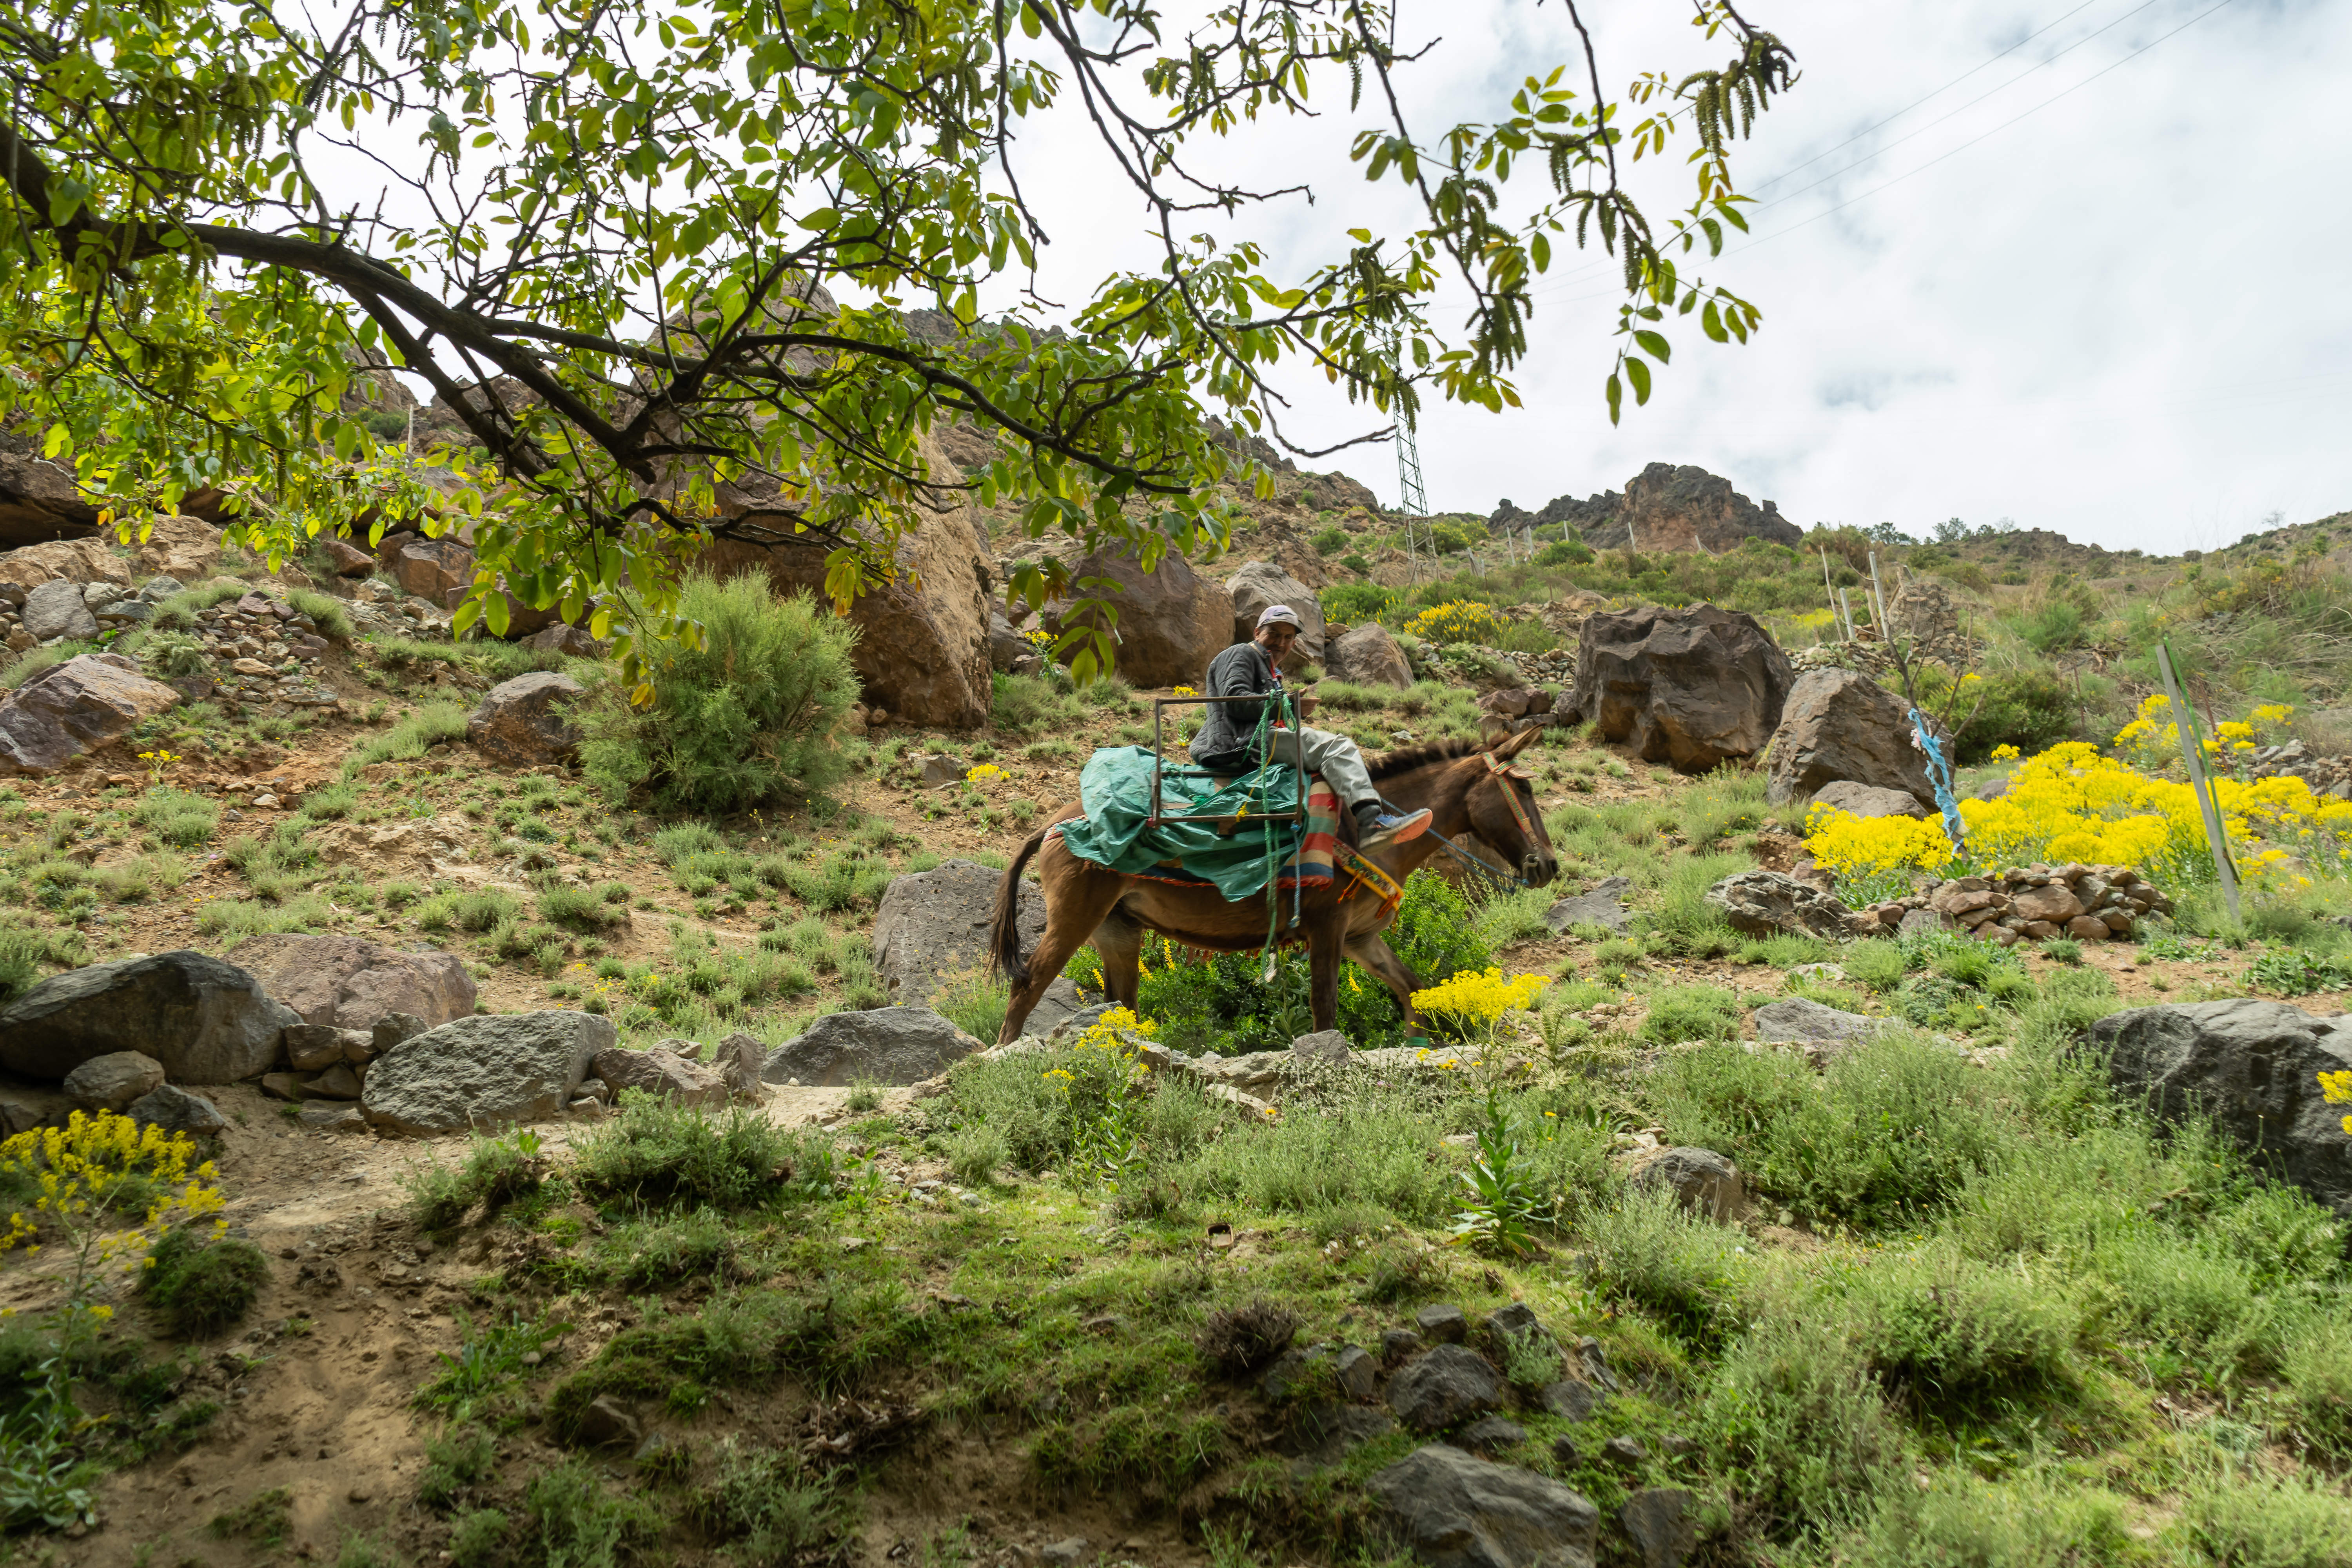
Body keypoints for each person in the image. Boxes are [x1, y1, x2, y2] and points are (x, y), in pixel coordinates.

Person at [1185, 604, 1434, 852]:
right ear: (1257, 633)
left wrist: (1287, 704)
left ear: (1294, 643)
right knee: (1336, 746)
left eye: (1288, 637)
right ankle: (1371, 822)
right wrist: (1288, 706)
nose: (1280, 642)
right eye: (1273, 634)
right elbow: (1236, 701)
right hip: (1239, 742)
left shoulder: (1270, 669)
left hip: (1248, 739)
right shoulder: (1241, 653)